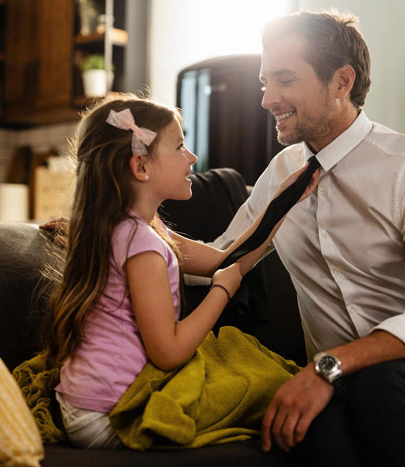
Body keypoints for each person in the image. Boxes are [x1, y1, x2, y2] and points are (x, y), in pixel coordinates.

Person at [206, 10, 405, 467]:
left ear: (341, 81)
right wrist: (113, 231)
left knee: (384, 388)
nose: (267, 99)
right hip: (344, 381)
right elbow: (224, 256)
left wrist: (328, 366)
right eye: (265, 83)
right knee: (313, 431)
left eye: (284, 80)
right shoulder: (282, 174)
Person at [41, 94, 318, 449]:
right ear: (141, 167)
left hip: (89, 403)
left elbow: (226, 259)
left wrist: (282, 202)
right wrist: (222, 292)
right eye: (180, 146)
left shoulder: (133, 229)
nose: (193, 157)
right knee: (254, 382)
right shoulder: (140, 244)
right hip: (109, 414)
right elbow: (168, 353)